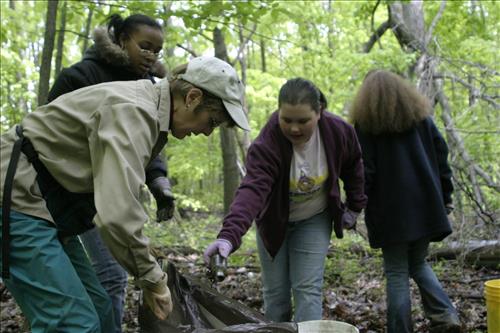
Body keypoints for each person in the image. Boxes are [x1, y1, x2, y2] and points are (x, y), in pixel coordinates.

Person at [0, 56, 250, 333]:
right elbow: (117, 214)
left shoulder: (151, 111)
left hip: (45, 206)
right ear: (192, 97)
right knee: (71, 323)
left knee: (99, 307)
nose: (206, 132)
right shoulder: (135, 111)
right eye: (211, 121)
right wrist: (152, 278)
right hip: (15, 198)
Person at [45, 13, 171, 332]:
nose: (151, 55)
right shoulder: (82, 75)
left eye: (157, 50)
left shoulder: (147, 88)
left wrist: (159, 184)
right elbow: (51, 130)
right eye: (144, 46)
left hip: (112, 191)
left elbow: (146, 145)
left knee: (107, 280)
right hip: (75, 192)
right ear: (121, 40)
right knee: (112, 275)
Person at [203, 78, 367, 322]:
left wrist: (354, 207)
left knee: (307, 289)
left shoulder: (338, 132)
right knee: (276, 293)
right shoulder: (268, 143)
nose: (294, 128)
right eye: (287, 120)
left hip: (314, 218)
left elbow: (354, 167)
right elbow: (252, 190)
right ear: (278, 113)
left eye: (303, 121)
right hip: (273, 221)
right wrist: (228, 236)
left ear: (319, 112)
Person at [349, 70, 461, 333]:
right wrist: (446, 197)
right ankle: (445, 315)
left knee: (397, 272)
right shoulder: (421, 120)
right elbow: (442, 156)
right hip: (426, 207)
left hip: (391, 214)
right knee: (418, 263)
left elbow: (365, 171)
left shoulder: (366, 127)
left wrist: (355, 204)